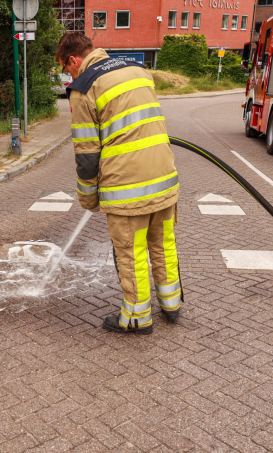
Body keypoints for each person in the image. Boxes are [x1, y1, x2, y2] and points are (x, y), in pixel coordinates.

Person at [56, 32, 181, 335]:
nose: (68, 75)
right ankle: (171, 303)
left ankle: (137, 317)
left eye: (65, 68)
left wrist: (88, 198)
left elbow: (87, 155)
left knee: (130, 251)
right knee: (163, 243)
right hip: (165, 178)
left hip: (128, 188)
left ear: (73, 60)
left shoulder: (84, 88)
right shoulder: (136, 70)